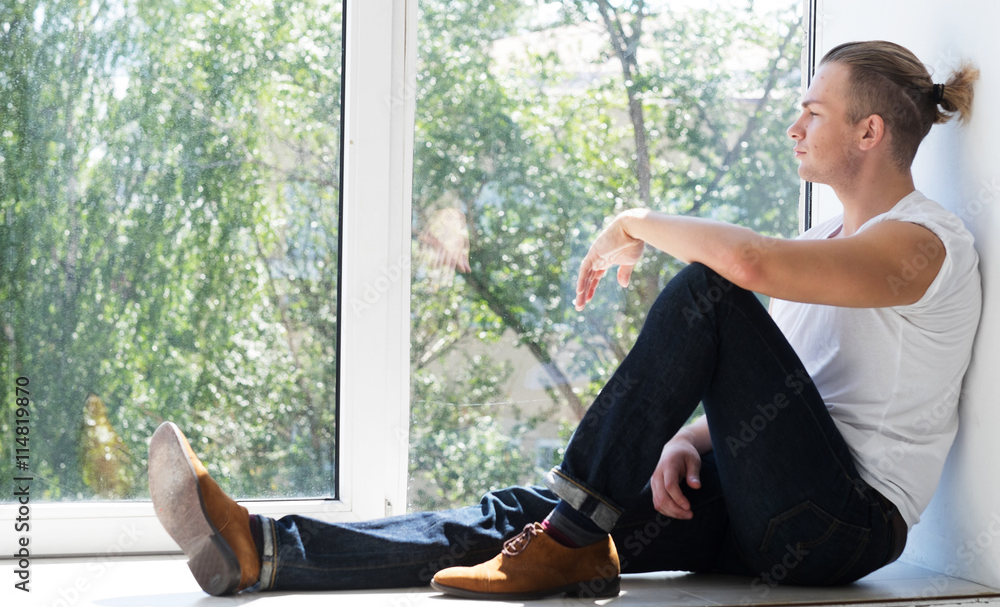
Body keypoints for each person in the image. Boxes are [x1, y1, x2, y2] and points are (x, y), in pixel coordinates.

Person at [148, 40, 982, 599]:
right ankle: (267, 547)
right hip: (769, 504)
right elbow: (805, 394)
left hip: (844, 524)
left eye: (814, 112)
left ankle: (576, 529)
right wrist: (685, 445)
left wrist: (634, 220)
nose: (793, 125)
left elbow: (746, 270)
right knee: (527, 522)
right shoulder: (824, 239)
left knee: (709, 291)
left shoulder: (923, 244)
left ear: (869, 131)